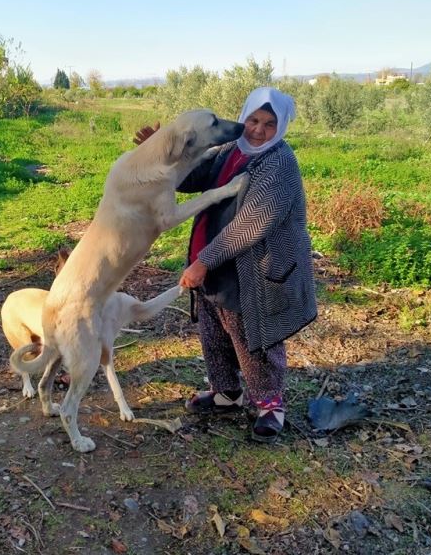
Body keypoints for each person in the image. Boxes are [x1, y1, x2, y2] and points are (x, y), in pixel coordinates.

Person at [134, 87, 317, 441]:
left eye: (268, 123)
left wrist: (204, 261)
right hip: (217, 260)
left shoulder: (279, 162)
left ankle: (269, 405)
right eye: (253, 120)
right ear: (244, 116)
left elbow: (252, 223)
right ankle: (227, 394)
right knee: (214, 331)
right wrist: (158, 151)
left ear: (280, 127)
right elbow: (191, 177)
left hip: (255, 268)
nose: (258, 130)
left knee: (253, 337)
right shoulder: (232, 150)